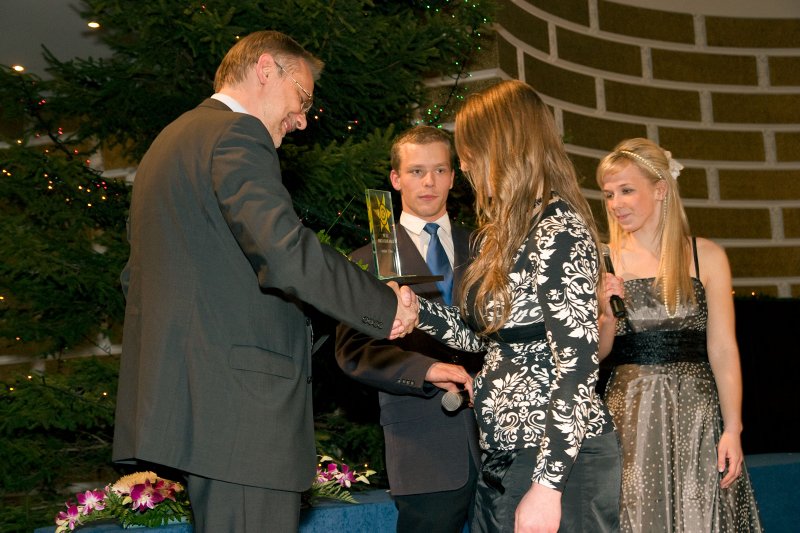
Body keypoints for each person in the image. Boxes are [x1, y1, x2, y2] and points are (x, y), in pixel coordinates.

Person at [112, 30, 416, 533]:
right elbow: (284, 251)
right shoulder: (236, 134)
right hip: (243, 412)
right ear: (267, 68)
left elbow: (139, 279)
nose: (301, 119)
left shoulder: (168, 144)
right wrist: (382, 305)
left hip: (201, 404)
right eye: (303, 97)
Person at [405, 80, 621, 533]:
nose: (464, 165)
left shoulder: (558, 229)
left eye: (469, 151)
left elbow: (578, 366)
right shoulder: (505, 231)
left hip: (557, 461)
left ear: (502, 147)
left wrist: (547, 487)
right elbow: (482, 336)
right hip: (505, 456)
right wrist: (413, 309)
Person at [596, 137, 763, 532]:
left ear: (660, 189)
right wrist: (606, 313)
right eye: (608, 194)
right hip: (629, 414)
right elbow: (598, 353)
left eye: (626, 190)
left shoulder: (707, 256)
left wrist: (733, 428)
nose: (616, 203)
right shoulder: (602, 258)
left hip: (698, 416)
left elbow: (722, 349)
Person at [335, 125, 482, 533]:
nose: (430, 181)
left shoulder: (488, 250)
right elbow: (354, 352)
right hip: (423, 447)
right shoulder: (369, 258)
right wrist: (426, 370)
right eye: (417, 171)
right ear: (396, 179)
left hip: (501, 440)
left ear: (454, 177)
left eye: (439, 170)